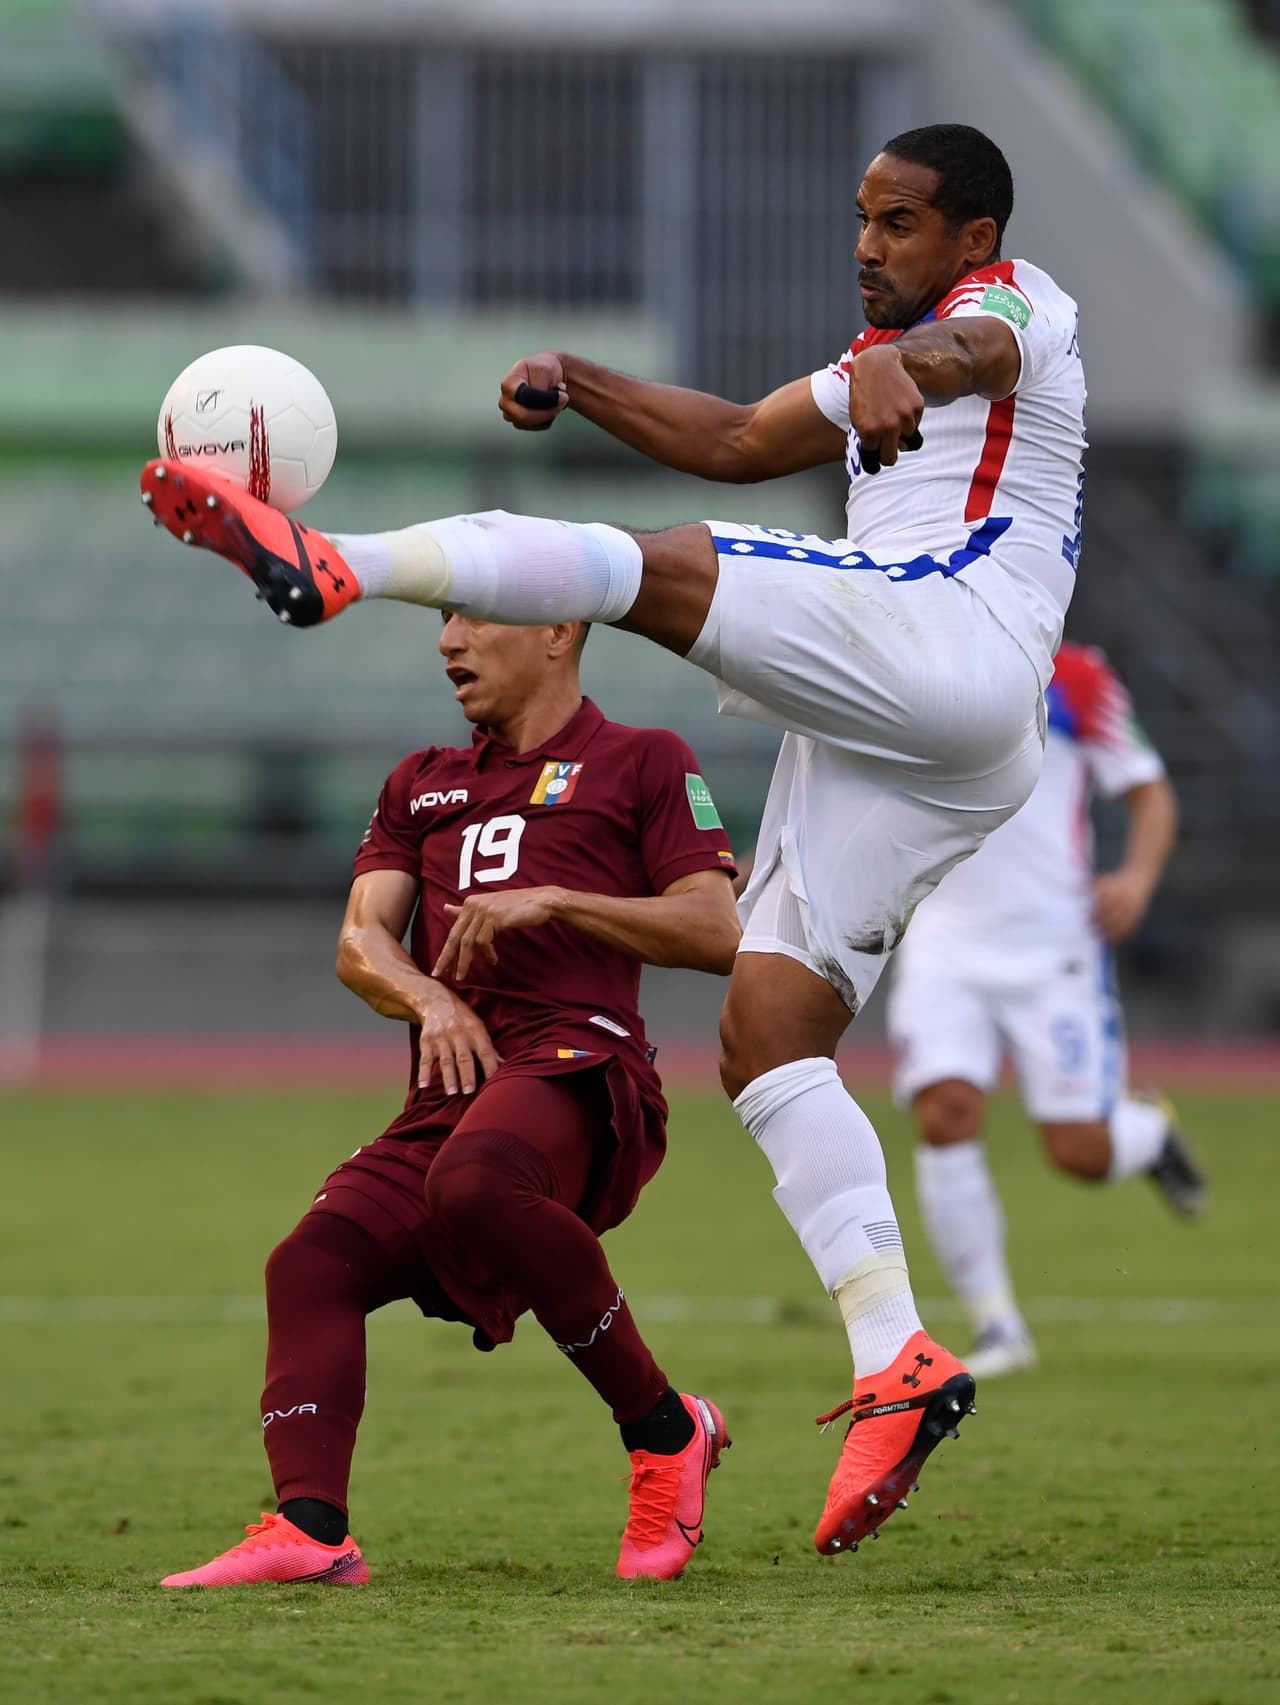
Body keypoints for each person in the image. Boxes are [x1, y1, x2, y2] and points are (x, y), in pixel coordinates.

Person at [143, 123, 1086, 1556]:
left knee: (639, 566)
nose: (864, 244)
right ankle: (894, 1353)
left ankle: (346, 567)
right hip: (935, 737)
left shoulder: (1019, 303)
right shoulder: (872, 353)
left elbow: (978, 353)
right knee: (768, 1038)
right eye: (859, 217)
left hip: (950, 635)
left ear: (973, 238)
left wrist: (921, 359)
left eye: (897, 223)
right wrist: (579, 380)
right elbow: (735, 441)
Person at [160, 612, 741, 1588]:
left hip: (579, 1067)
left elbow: (717, 928)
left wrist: (558, 899)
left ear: (557, 629)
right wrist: (427, 996)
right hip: (454, 1092)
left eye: (475, 615)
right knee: (310, 1264)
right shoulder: (420, 781)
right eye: (442, 619)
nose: (449, 641)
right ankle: (312, 1528)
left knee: (474, 1180)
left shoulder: (643, 759)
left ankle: (662, 1432)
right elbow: (361, 942)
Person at [886, 641, 1205, 1378]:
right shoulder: (915, 653)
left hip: (1055, 945)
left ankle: (1150, 1131)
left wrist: (1136, 881)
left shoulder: (1080, 676)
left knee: (1079, 1153)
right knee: (943, 1113)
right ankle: (998, 1326)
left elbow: (1150, 791)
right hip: (944, 939)